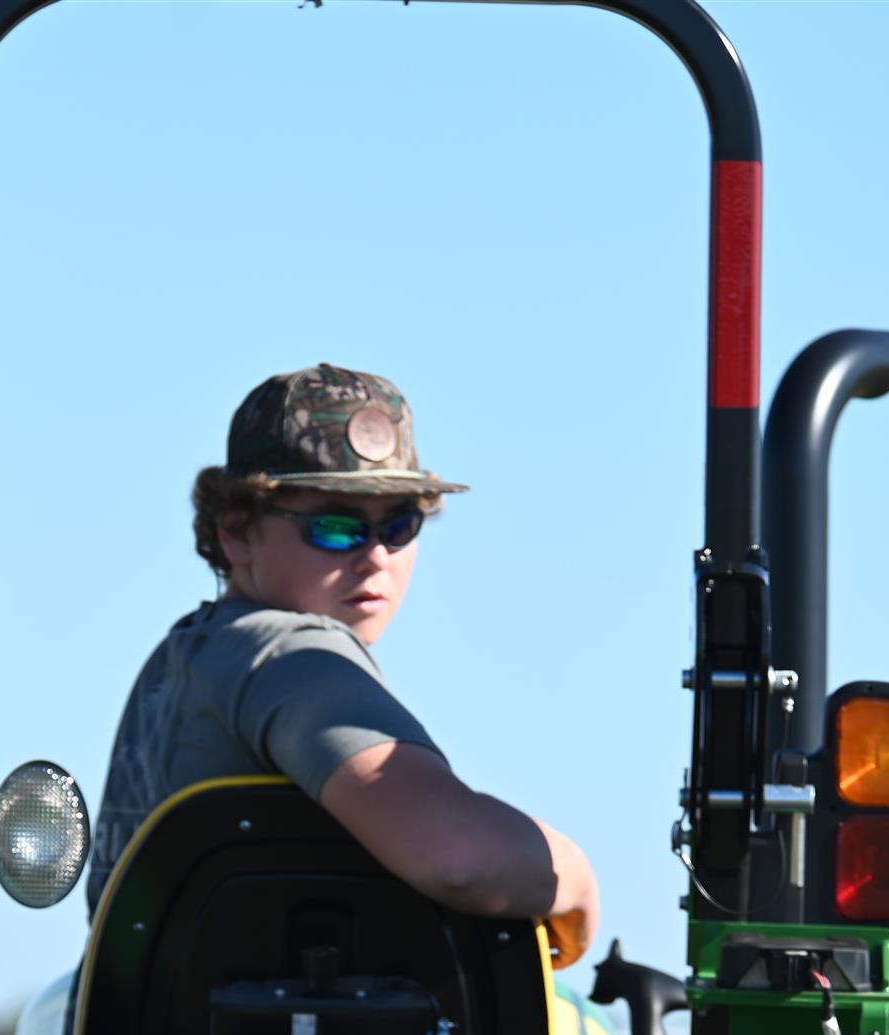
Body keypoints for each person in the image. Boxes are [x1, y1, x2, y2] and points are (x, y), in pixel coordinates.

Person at [88, 363, 600, 963]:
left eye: (400, 526)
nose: (376, 556)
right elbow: (457, 855)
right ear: (236, 531)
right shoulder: (291, 655)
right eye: (336, 528)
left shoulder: (187, 657)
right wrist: (577, 879)